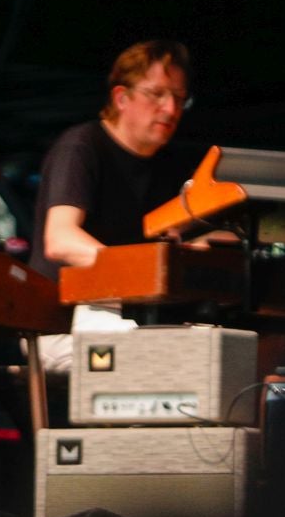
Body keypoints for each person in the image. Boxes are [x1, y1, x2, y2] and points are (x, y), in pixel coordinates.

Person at [32, 39, 200, 373]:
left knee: (217, 356)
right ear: (121, 97)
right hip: (62, 325)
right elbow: (61, 239)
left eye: (179, 98)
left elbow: (192, 235)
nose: (170, 109)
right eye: (157, 94)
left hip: (131, 323)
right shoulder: (81, 147)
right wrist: (142, 272)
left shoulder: (169, 166)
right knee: (170, 365)